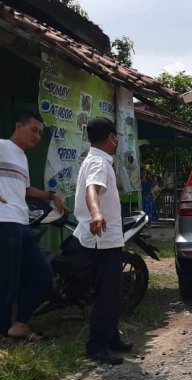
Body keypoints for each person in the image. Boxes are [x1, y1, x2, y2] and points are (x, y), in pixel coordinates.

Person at [0, 110, 69, 347]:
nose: (37, 136)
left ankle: (19, 325)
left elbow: (25, 190)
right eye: (33, 130)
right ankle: (4, 336)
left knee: (42, 274)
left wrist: (52, 195)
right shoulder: (2, 146)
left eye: (40, 133)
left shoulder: (22, 157)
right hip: (4, 222)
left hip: (21, 222)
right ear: (19, 126)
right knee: (7, 281)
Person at [73, 117, 132, 365]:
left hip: (107, 240)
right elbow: (91, 189)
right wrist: (96, 213)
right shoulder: (98, 162)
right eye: (116, 137)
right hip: (101, 241)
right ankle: (96, 346)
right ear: (112, 138)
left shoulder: (98, 160)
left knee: (112, 292)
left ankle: (110, 339)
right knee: (106, 295)